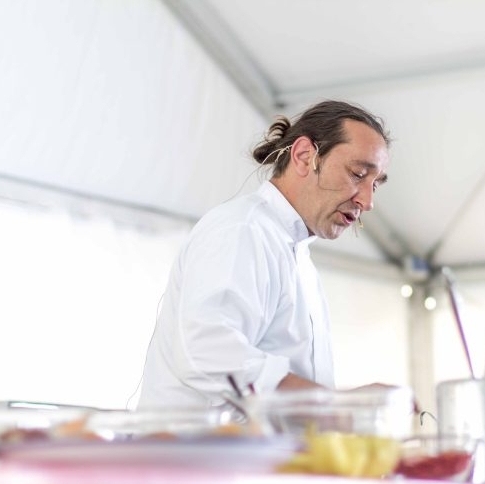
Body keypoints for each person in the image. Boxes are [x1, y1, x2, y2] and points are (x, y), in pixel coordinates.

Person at [137, 100, 391, 409]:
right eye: (357, 174)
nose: (367, 201)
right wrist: (333, 405)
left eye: (375, 184)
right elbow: (206, 352)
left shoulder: (295, 253)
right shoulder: (244, 230)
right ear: (304, 156)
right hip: (200, 455)